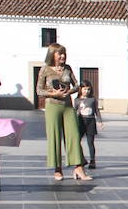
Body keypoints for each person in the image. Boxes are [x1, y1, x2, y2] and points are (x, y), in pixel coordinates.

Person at [36, 43, 90, 182]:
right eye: (59, 53)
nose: (63, 56)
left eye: (64, 53)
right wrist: (53, 94)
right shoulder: (45, 69)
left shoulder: (67, 68)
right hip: (52, 106)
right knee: (54, 136)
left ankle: (78, 167)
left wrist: (68, 92)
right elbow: (38, 90)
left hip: (67, 105)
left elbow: (77, 85)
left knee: (73, 135)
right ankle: (57, 169)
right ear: (52, 54)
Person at [75, 80, 103, 168]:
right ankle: (81, 159)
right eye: (84, 89)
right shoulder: (77, 100)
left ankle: (92, 161)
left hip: (90, 121)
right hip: (80, 121)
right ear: (80, 89)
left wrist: (99, 121)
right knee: (76, 141)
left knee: (90, 142)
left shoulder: (92, 100)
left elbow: (96, 111)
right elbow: (74, 111)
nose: (86, 91)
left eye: (88, 89)